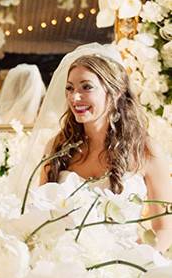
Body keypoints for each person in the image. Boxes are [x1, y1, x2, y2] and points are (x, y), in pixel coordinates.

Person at [37, 51, 171, 252]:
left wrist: (137, 265)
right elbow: (40, 213)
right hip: (65, 265)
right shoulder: (57, 146)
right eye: (70, 88)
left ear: (115, 92)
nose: (75, 97)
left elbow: (164, 228)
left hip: (122, 268)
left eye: (86, 87)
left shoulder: (145, 149)